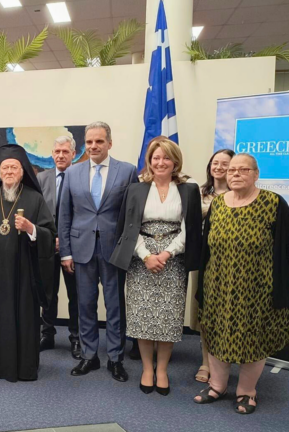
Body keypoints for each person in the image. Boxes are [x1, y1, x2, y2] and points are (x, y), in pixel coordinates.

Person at [194, 153, 289, 415]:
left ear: (256, 174)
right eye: (232, 170)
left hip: (259, 288)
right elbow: (206, 244)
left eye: (243, 170)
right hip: (218, 285)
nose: (235, 174)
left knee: (254, 339)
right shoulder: (218, 204)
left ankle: (246, 392)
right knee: (218, 334)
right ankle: (217, 385)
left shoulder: (273, 202)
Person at [110, 137, 202, 396]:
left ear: (175, 161)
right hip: (141, 262)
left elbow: (190, 228)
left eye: (166, 157)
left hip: (173, 262)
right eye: (155, 158)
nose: (160, 162)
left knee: (168, 319)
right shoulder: (136, 189)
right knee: (143, 317)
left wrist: (166, 254)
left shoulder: (189, 189)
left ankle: (162, 369)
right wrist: (146, 256)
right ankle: (147, 369)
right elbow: (129, 227)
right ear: (149, 161)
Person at [0, 145, 56, 382]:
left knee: (24, 319)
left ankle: (24, 367)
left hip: (24, 274)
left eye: (13, 167)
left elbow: (49, 234)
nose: (8, 171)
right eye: (4, 167)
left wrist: (31, 229)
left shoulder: (35, 199)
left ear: (22, 171)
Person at [59, 121, 138, 382]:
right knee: (85, 305)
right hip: (81, 250)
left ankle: (115, 359)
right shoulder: (72, 173)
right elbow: (65, 215)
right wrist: (66, 253)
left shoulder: (127, 171)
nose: (94, 146)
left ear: (109, 143)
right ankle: (89, 356)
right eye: (90, 141)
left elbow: (132, 216)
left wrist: (127, 250)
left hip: (113, 251)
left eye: (99, 141)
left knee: (115, 306)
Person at [188, 148, 234, 384]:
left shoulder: (239, 193)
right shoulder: (199, 192)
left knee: (228, 312)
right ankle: (206, 362)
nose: (218, 167)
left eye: (224, 163)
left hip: (232, 263)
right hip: (204, 259)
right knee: (205, 312)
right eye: (215, 163)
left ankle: (226, 361)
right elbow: (190, 220)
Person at [36, 136, 81, 359]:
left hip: (73, 248)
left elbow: (83, 214)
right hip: (47, 246)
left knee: (76, 294)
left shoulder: (80, 177)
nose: (60, 155)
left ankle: (76, 338)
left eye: (65, 151)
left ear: (74, 154)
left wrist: (65, 240)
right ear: (52, 154)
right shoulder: (41, 178)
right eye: (57, 151)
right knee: (47, 294)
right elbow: (37, 212)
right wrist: (51, 238)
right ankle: (47, 334)